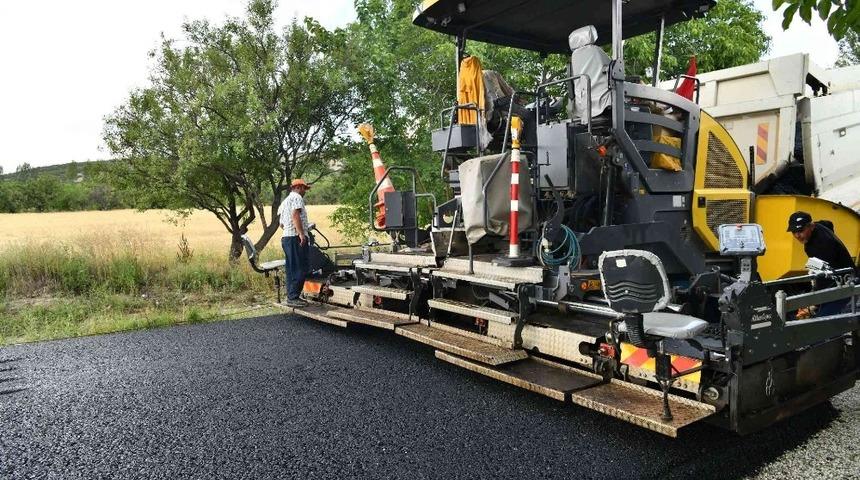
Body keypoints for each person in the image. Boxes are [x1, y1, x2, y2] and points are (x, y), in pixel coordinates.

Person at [787, 211, 856, 317]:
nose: (797, 235)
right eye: (794, 232)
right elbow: (828, 223)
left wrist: (815, 303)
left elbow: (824, 279)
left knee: (818, 320)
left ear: (811, 226)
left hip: (845, 285)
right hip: (841, 275)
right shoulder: (819, 226)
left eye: (800, 231)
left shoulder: (820, 246)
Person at [279, 179, 312, 307]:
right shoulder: (297, 198)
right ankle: (293, 297)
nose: (305, 191)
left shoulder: (285, 201)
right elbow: (295, 215)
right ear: (298, 187)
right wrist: (301, 233)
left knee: (291, 269)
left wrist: (291, 230)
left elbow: (281, 223)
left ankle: (292, 296)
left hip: (286, 237)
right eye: (304, 188)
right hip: (294, 238)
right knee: (301, 267)